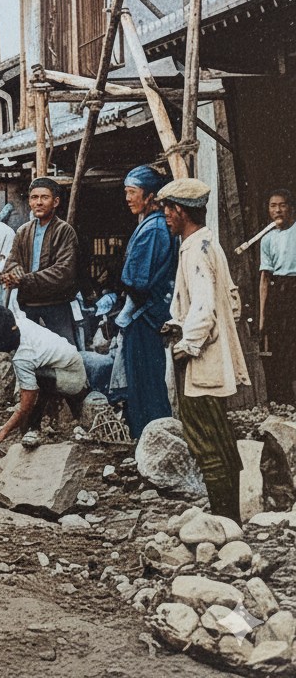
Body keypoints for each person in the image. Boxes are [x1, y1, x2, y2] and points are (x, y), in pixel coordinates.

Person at [158, 178, 250, 521]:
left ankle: (226, 520)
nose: (166, 216)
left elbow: (205, 310)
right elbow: (232, 303)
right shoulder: (209, 244)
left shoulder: (196, 249)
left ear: (181, 211)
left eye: (169, 210)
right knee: (221, 438)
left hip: (203, 361)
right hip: (214, 357)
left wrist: (185, 345)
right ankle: (231, 519)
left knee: (206, 443)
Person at [115, 165, 176, 439]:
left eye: (132, 192)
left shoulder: (153, 228)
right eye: (126, 192)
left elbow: (137, 281)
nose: (127, 198)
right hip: (148, 312)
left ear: (150, 196)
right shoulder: (153, 225)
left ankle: (152, 439)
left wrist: (126, 288)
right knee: (147, 379)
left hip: (145, 315)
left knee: (145, 381)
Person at [0, 305, 90, 448]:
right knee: (33, 381)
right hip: (67, 366)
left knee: (35, 383)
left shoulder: (23, 357)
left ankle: (33, 429)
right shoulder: (20, 323)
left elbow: (26, 405)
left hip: (73, 379)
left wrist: (3, 432)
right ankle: (30, 427)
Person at [2, 177, 80, 347]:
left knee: (65, 355)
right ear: (29, 201)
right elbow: (12, 262)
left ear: (56, 202)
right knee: (29, 355)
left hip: (56, 305)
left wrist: (24, 279)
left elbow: (63, 272)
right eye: (34, 197)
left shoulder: (64, 231)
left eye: (44, 197)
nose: (38, 202)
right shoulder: (23, 231)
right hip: (28, 306)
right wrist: (12, 275)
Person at [259, 189, 296, 406]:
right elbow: (265, 278)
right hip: (279, 292)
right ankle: (285, 403)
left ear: (290, 207)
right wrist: (262, 316)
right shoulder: (267, 239)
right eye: (273, 206)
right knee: (280, 347)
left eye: (281, 205)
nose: (277, 210)